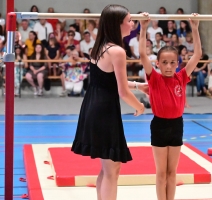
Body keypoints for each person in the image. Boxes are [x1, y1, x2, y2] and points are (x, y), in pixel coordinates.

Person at [71, 5, 148, 200]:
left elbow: (109, 80)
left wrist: (137, 86)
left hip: (94, 105)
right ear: (117, 24)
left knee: (109, 168)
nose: (132, 23)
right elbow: (122, 91)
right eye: (129, 20)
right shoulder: (117, 51)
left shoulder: (100, 45)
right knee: (112, 169)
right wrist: (139, 106)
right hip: (104, 110)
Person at [139, 12, 202, 200]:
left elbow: (197, 54)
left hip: (176, 125)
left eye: (172, 63)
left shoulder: (181, 77)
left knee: (172, 173)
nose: (168, 66)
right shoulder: (154, 78)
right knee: (160, 174)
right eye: (164, 63)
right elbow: (143, 53)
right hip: (159, 125)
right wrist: (143, 28)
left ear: (177, 63)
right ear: (157, 63)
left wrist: (195, 28)